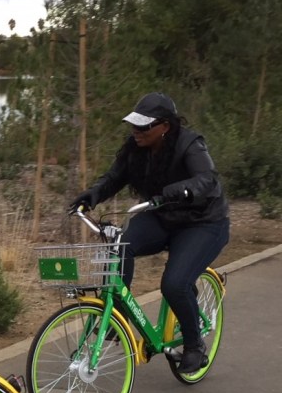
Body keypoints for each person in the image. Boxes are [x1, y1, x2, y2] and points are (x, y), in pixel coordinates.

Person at [70, 92, 230, 374]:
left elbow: (207, 179)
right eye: (134, 125)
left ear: (165, 126)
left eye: (144, 126)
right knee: (121, 245)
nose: (136, 131)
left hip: (202, 223)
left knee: (174, 284)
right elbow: (114, 178)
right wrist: (92, 195)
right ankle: (117, 316)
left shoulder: (189, 144)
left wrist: (181, 189)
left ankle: (194, 345)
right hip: (162, 216)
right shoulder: (135, 147)